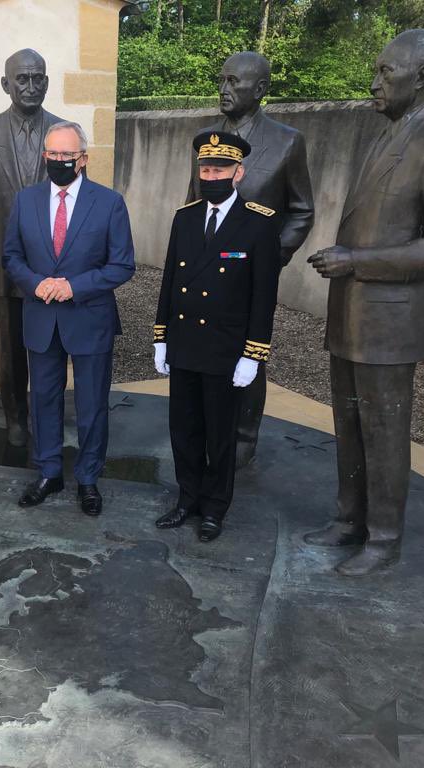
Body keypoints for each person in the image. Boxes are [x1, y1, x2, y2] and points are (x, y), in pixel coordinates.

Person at [304, 29, 424, 576]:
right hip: (351, 313)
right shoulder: (385, 134)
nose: (374, 82)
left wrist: (355, 260)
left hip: (392, 321)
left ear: (421, 78)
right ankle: (349, 519)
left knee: (384, 430)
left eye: (386, 72)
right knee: (349, 423)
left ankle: (384, 539)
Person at [188, 51, 315, 469]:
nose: (224, 89)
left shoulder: (287, 141)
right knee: (204, 345)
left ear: (260, 89)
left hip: (252, 274)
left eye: (234, 82)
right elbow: (192, 203)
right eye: (222, 79)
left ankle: (244, 433)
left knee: (249, 350)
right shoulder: (205, 139)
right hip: (206, 268)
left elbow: (301, 210)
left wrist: (272, 257)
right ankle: (208, 424)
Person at [2, 121, 135, 516]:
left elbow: (122, 265)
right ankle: (48, 472)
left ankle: (88, 478)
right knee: (43, 400)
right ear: (45, 155)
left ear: (83, 158)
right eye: (53, 153)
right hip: (42, 318)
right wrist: (36, 283)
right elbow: (11, 256)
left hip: (89, 318)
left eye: (67, 154)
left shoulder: (109, 203)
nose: (59, 160)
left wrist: (74, 286)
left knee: (92, 404)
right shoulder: (25, 200)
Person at [155, 131, 282, 542]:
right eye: (206, 170)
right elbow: (170, 280)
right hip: (185, 343)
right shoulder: (185, 217)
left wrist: (254, 354)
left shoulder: (259, 222)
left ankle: (214, 508)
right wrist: (161, 337)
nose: (211, 177)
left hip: (226, 349)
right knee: (184, 429)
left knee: (220, 435)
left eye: (219, 171)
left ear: (238, 173)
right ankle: (187, 498)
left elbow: (264, 296)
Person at [0, 49, 65, 447]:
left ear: (47, 81)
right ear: (6, 84)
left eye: (38, 78)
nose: (30, 86)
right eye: (22, 79)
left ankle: (46, 416)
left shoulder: (64, 132)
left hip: (52, 266)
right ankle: (15, 418)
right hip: (3, 265)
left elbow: (76, 204)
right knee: (9, 350)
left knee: (49, 347)